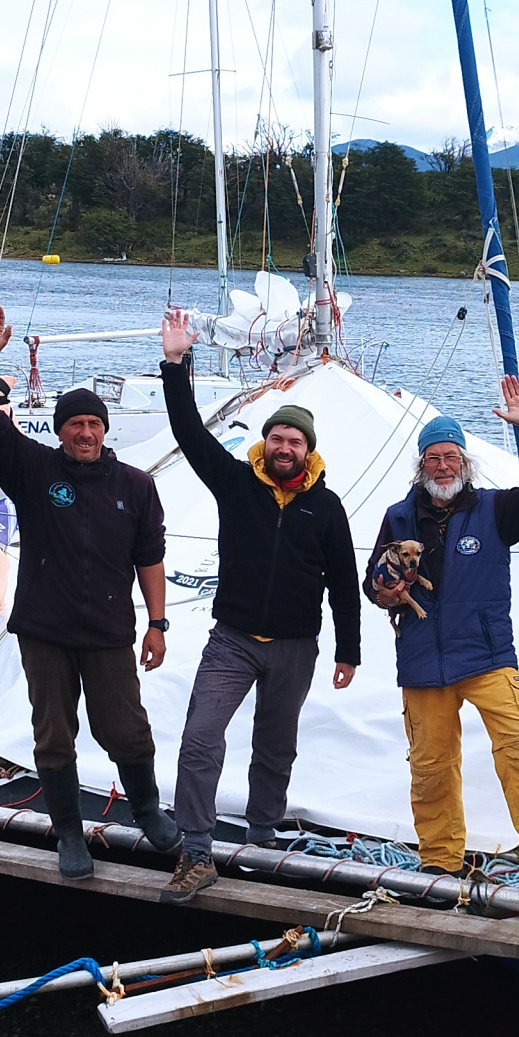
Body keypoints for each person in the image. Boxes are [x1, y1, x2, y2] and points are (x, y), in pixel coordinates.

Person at [155, 308, 362, 903]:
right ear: (264, 442)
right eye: (276, 437)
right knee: (201, 737)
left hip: (296, 646)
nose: (284, 447)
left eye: (295, 441)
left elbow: (345, 582)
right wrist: (176, 365)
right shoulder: (235, 482)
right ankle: (196, 851)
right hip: (233, 639)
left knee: (276, 744)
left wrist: (348, 649)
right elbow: (190, 433)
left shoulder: (326, 507)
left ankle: (264, 835)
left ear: (308, 451)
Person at [0, 303, 177, 880]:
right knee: (54, 733)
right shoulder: (35, 471)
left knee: (124, 728)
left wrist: (157, 625)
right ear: (59, 431)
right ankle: (67, 834)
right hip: (45, 630)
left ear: (105, 430)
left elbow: (150, 557)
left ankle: (148, 810)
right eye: (74, 424)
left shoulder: (136, 486)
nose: (84, 432)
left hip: (110, 631)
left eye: (93, 424)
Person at [367, 380, 519, 905]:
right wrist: (385, 590)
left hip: (487, 657)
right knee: (431, 767)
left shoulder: (495, 510)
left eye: (451, 456)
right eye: (433, 457)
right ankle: (440, 862)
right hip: (420, 661)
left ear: (465, 462)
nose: (442, 466)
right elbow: (372, 582)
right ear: (421, 465)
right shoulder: (398, 516)